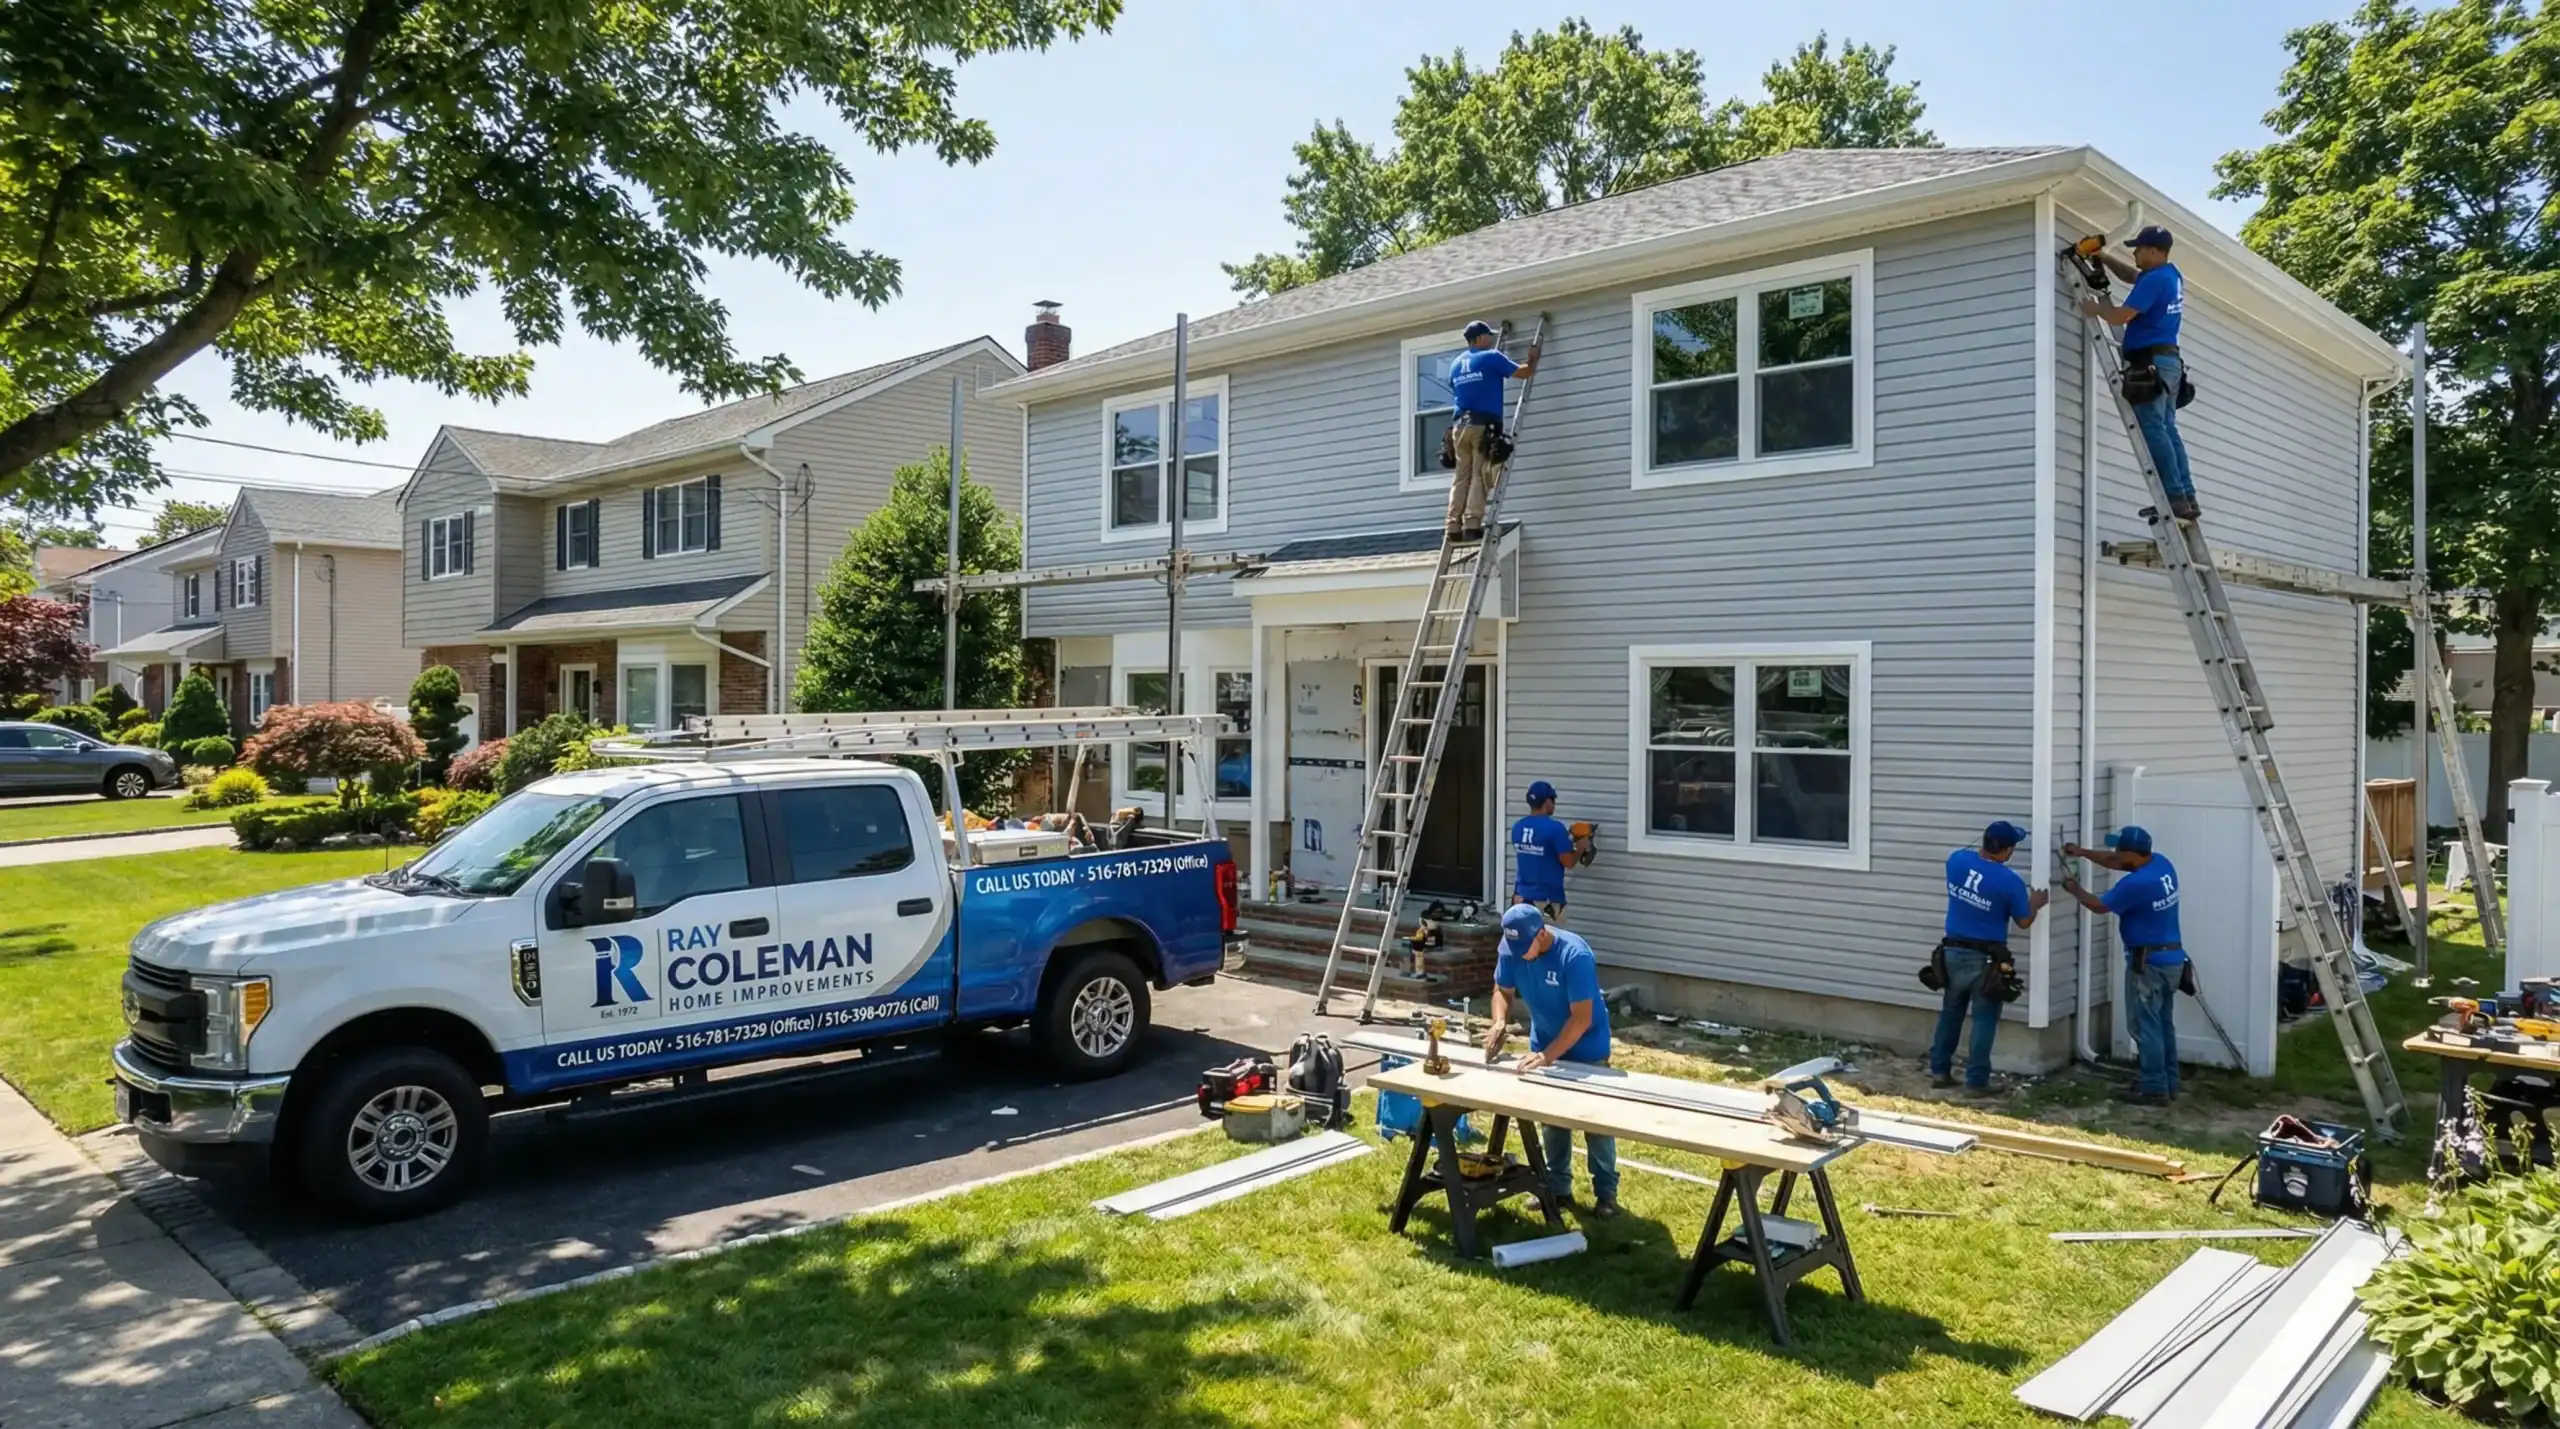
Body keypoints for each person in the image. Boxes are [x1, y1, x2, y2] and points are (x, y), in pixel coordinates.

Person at [1486, 904, 1617, 1217]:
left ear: (1541, 934)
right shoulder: (1511, 946)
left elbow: (1581, 1018)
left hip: (1587, 1049)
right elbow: (1502, 991)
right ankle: (1558, 1189)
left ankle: (1606, 1194)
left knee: (1594, 1122)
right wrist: (1499, 1021)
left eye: (1524, 949)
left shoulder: (1575, 956)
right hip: (1543, 1042)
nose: (1518, 955)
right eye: (1512, 948)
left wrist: (1547, 1056)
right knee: (1552, 1121)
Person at [2060, 826, 2188, 1105]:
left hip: (2149, 964)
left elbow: (2099, 905)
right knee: (2163, 1023)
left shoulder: (2137, 884)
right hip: (2172, 960)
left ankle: (2153, 1087)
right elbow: (2114, 861)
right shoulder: (2161, 864)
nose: (2116, 855)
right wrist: (2081, 853)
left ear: (2132, 852)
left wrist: (2074, 889)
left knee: (2145, 1026)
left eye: (2120, 850)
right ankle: (2169, 1081)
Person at [2079, 225, 2195, 521]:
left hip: (2150, 363)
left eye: (2139, 249)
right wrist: (2102, 257)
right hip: (2169, 362)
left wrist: (2094, 309)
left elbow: (2121, 316)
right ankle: (2185, 496)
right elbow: (2132, 277)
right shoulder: (2170, 275)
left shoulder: (2156, 280)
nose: (2134, 253)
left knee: (2154, 429)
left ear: (2155, 252)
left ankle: (2172, 497)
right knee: (2167, 429)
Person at [1929, 820, 2050, 1092]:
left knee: (1951, 1013)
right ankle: (1976, 1082)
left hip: (1951, 953)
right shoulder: (2009, 881)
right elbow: (2023, 921)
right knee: (1984, 1019)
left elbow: (1969, 868)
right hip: (1985, 960)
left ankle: (1939, 1071)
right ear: (2006, 850)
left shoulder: (1957, 860)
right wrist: (2036, 903)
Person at [1444, 319, 1540, 542]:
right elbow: (1524, 373)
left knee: (1461, 478)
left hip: (1459, 427)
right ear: (1479, 338)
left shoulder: (1456, 364)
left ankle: (1452, 526)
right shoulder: (1491, 357)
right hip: (1482, 426)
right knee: (1479, 474)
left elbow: (1455, 387)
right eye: (1488, 335)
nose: (1491, 339)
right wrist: (1533, 357)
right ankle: (1471, 524)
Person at [1510, 779, 1577, 925]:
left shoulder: (1518, 827)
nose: (1554, 803)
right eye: (1553, 799)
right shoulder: (1555, 828)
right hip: (1547, 900)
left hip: (1522, 897)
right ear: (1547, 801)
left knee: (1527, 943)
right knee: (1550, 943)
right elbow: (1569, 862)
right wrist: (1583, 845)